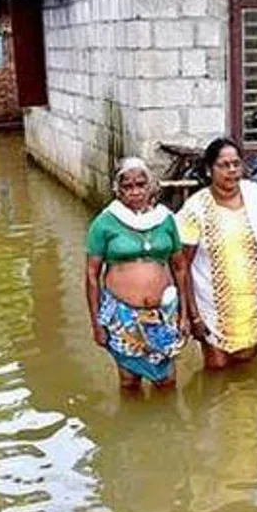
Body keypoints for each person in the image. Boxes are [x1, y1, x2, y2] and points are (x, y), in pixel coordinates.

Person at [177, 138, 257, 370]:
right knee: (217, 367)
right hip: (211, 304)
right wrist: (192, 315)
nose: (232, 170)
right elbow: (181, 265)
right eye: (224, 165)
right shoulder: (195, 209)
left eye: (236, 164)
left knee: (247, 364)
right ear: (209, 169)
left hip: (251, 300)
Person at [85, 157, 189, 390]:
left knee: (167, 381)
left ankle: (165, 425)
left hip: (163, 314)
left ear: (151, 186)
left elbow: (180, 267)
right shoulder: (105, 223)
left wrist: (185, 315)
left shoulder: (166, 220)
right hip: (122, 316)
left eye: (140, 185)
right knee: (129, 381)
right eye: (127, 186)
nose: (135, 191)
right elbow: (92, 275)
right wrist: (96, 324)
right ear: (118, 190)